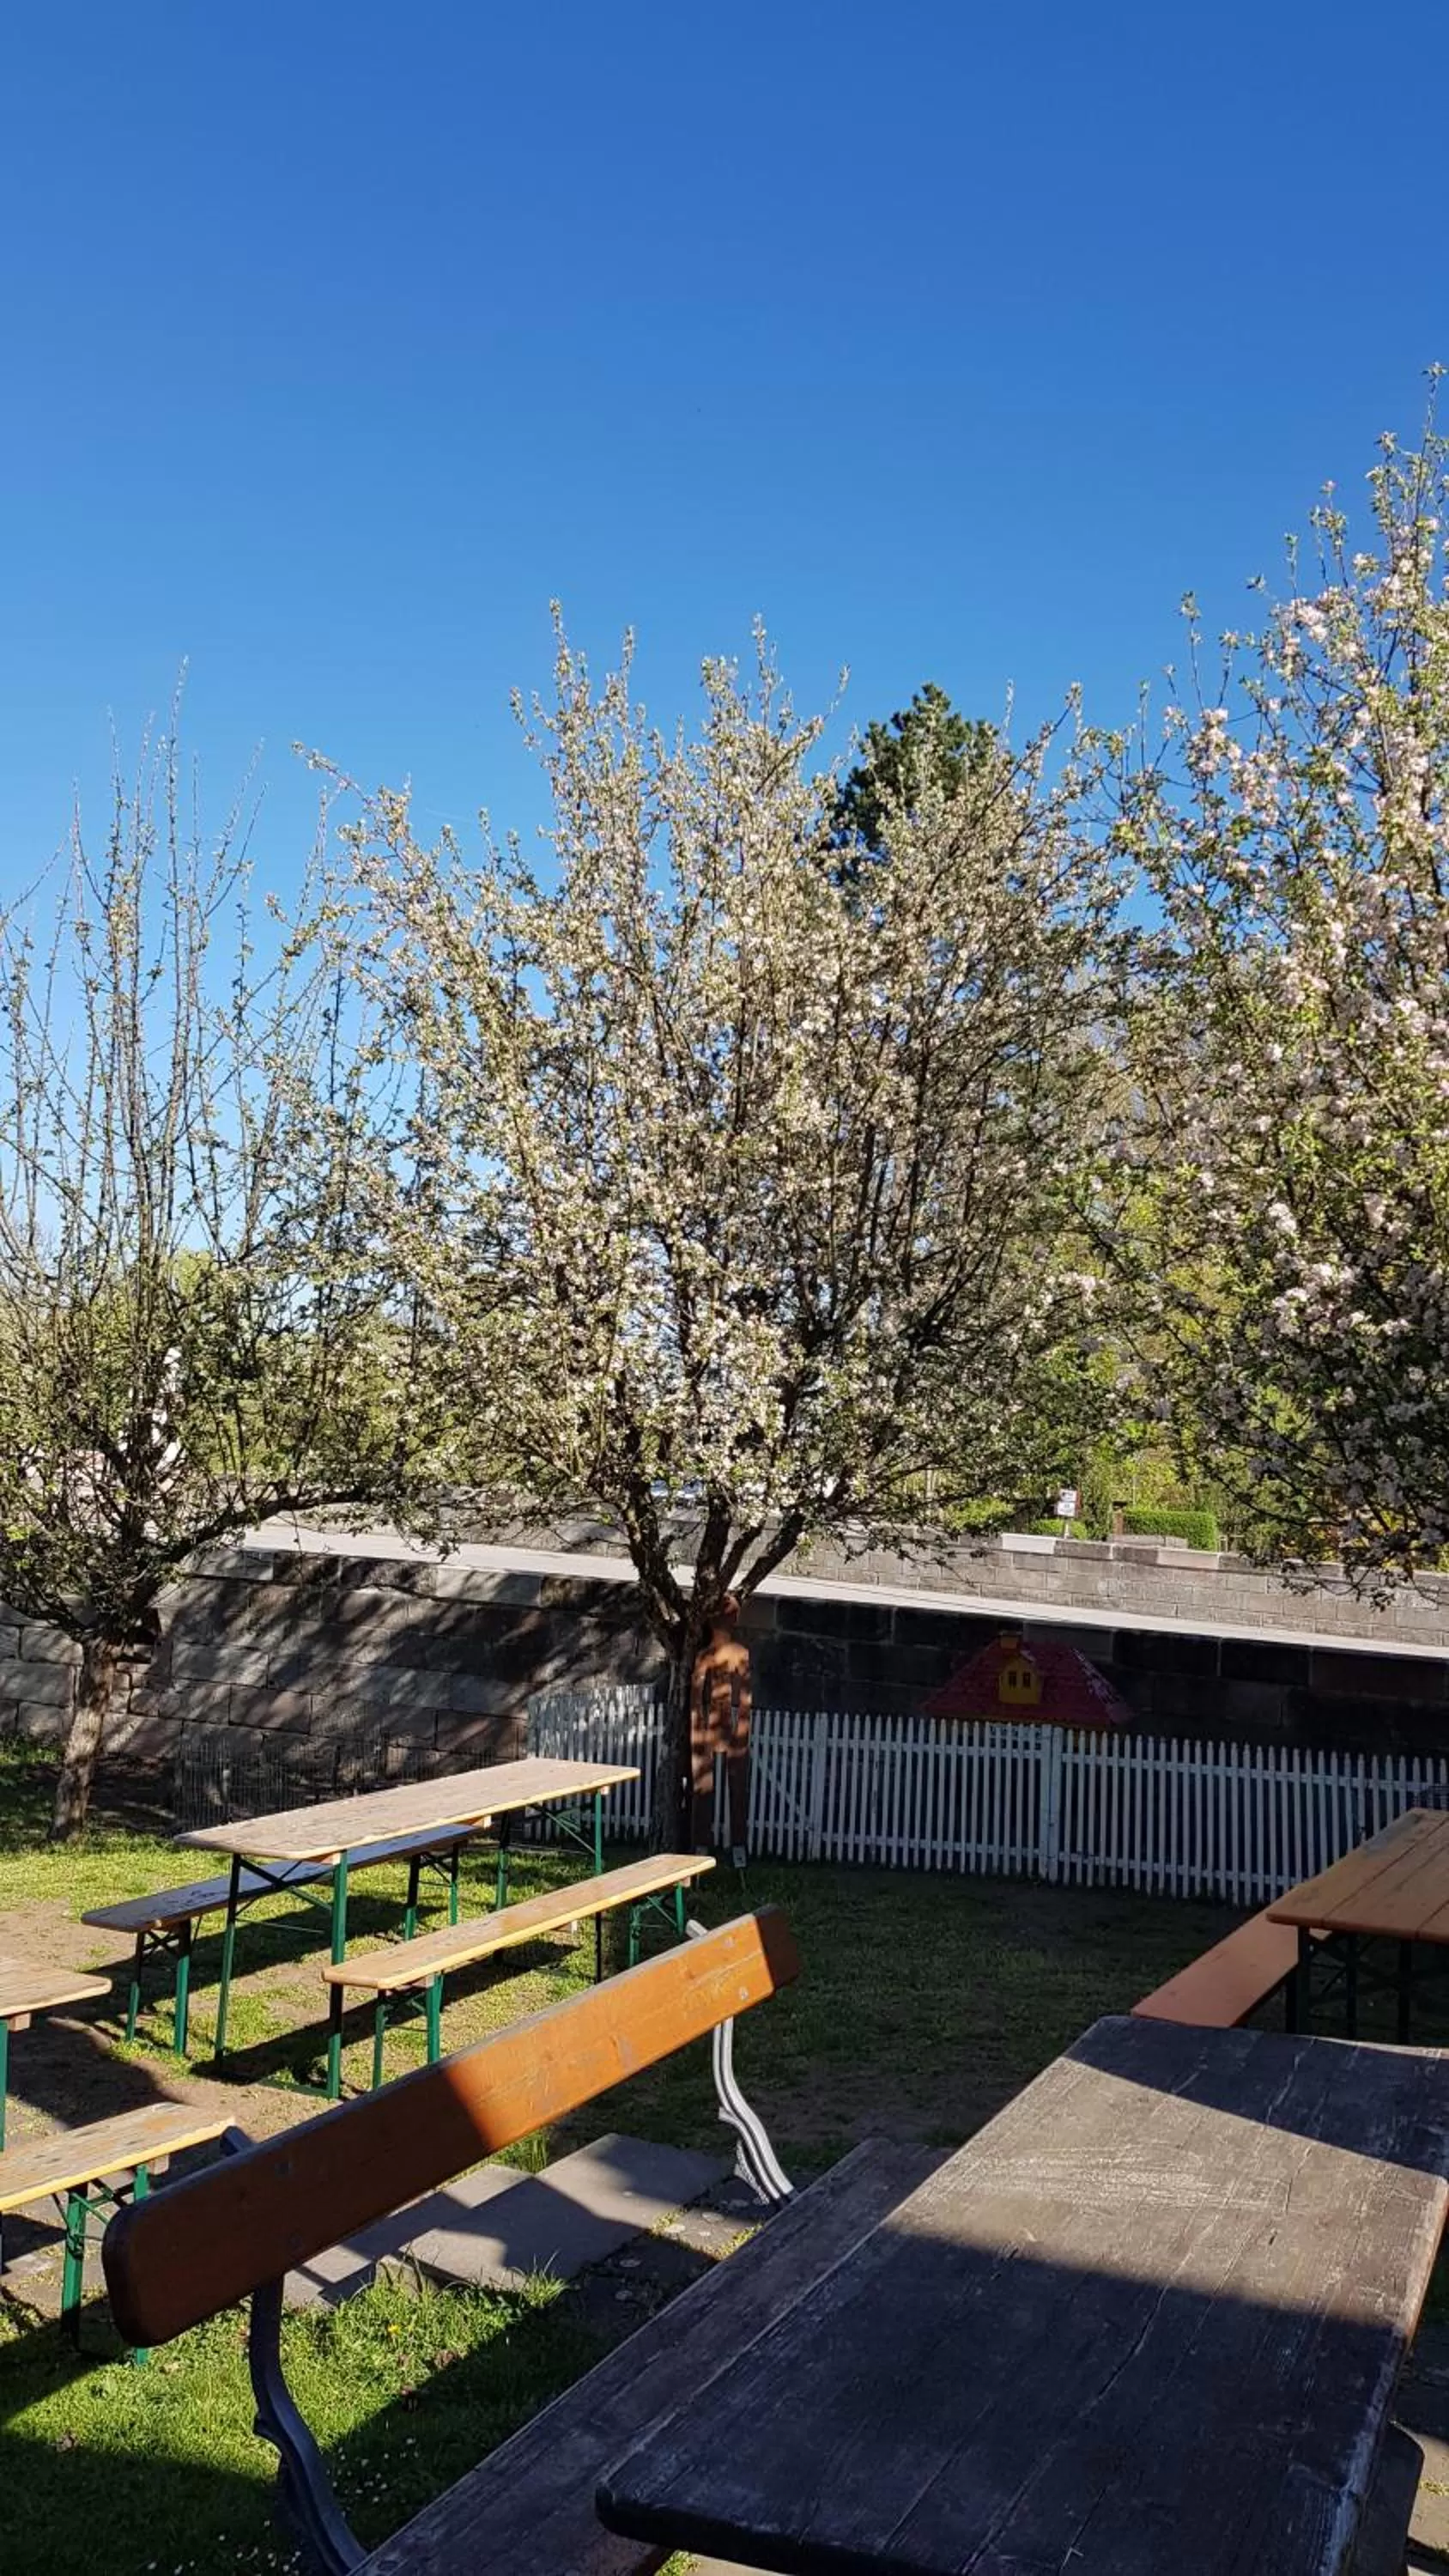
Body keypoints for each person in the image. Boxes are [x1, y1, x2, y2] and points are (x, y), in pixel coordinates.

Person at [689, 1593, 752, 1864]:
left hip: (719, 1725)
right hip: (718, 1725)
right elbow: (743, 1698)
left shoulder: (722, 1655)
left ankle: (735, 1849)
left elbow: (742, 1697)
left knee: (733, 1788)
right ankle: (703, 1847)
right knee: (708, 1787)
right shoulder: (714, 1655)